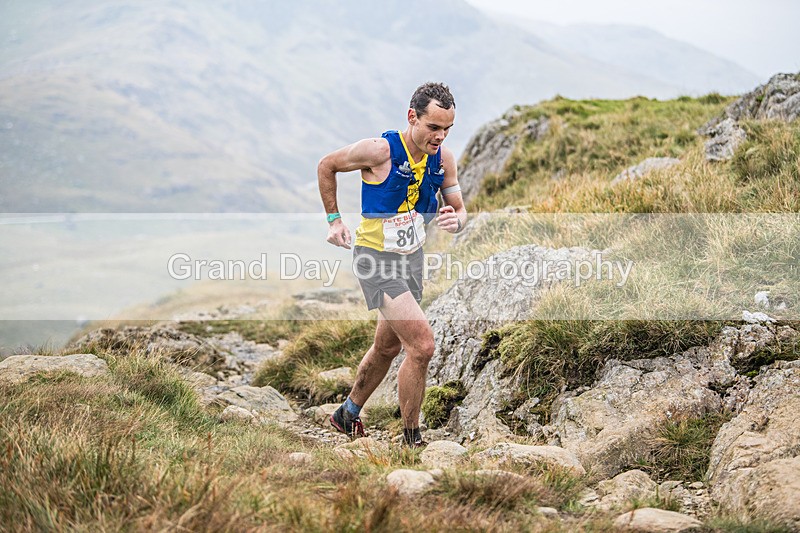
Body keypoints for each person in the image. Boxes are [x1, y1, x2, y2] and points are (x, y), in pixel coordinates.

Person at [317, 82, 466, 447]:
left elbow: (460, 209)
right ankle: (411, 440)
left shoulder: (443, 159)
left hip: (411, 260)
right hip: (376, 259)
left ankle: (346, 414)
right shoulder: (379, 151)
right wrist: (334, 220)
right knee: (422, 346)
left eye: (447, 129)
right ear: (412, 117)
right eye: (433, 127)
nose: (440, 136)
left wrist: (456, 220)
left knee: (387, 347)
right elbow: (327, 165)